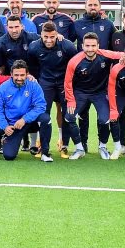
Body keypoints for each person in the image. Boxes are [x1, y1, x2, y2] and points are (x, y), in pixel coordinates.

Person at [63, 32, 124, 158]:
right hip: (80, 93)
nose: (90, 49)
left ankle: (102, 146)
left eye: (93, 46)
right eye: (87, 46)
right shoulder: (74, 61)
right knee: (69, 117)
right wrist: (71, 100)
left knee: (104, 120)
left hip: (100, 93)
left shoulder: (106, 55)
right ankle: (79, 148)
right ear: (82, 46)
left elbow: (124, 55)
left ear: (98, 45)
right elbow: (67, 82)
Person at [26, 22, 79, 158]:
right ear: (41, 35)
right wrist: (35, 79)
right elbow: (31, 67)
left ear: (57, 35)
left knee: (66, 113)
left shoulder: (67, 46)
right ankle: (42, 145)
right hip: (45, 82)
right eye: (45, 37)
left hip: (63, 83)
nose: (49, 40)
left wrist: (70, 84)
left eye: (52, 37)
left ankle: (63, 144)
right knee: (43, 113)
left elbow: (75, 64)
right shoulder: (33, 47)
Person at [0, 60, 52, 161]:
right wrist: (5, 126)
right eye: (16, 75)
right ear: (11, 74)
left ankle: (45, 153)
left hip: (30, 122)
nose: (19, 78)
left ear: (27, 74)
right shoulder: (3, 88)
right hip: (14, 125)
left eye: (22, 75)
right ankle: (8, 139)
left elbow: (41, 106)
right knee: (9, 156)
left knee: (46, 119)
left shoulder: (33, 85)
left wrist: (24, 119)